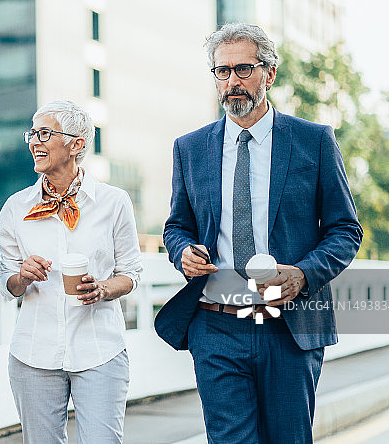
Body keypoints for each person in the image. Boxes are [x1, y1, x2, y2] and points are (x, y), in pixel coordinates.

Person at [155, 23, 363, 444]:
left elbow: (345, 229)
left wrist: (304, 274)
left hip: (289, 326)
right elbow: (177, 226)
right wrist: (182, 252)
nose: (232, 81)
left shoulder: (314, 141)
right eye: (222, 71)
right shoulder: (189, 148)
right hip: (216, 326)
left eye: (243, 69)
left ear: (268, 74)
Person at [0, 100, 143, 444]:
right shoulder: (16, 208)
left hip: (100, 351)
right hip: (34, 354)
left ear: (76, 144)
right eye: (32, 134)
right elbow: (5, 284)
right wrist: (22, 275)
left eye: (44, 133)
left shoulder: (114, 201)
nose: (34, 142)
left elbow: (132, 272)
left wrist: (104, 289)